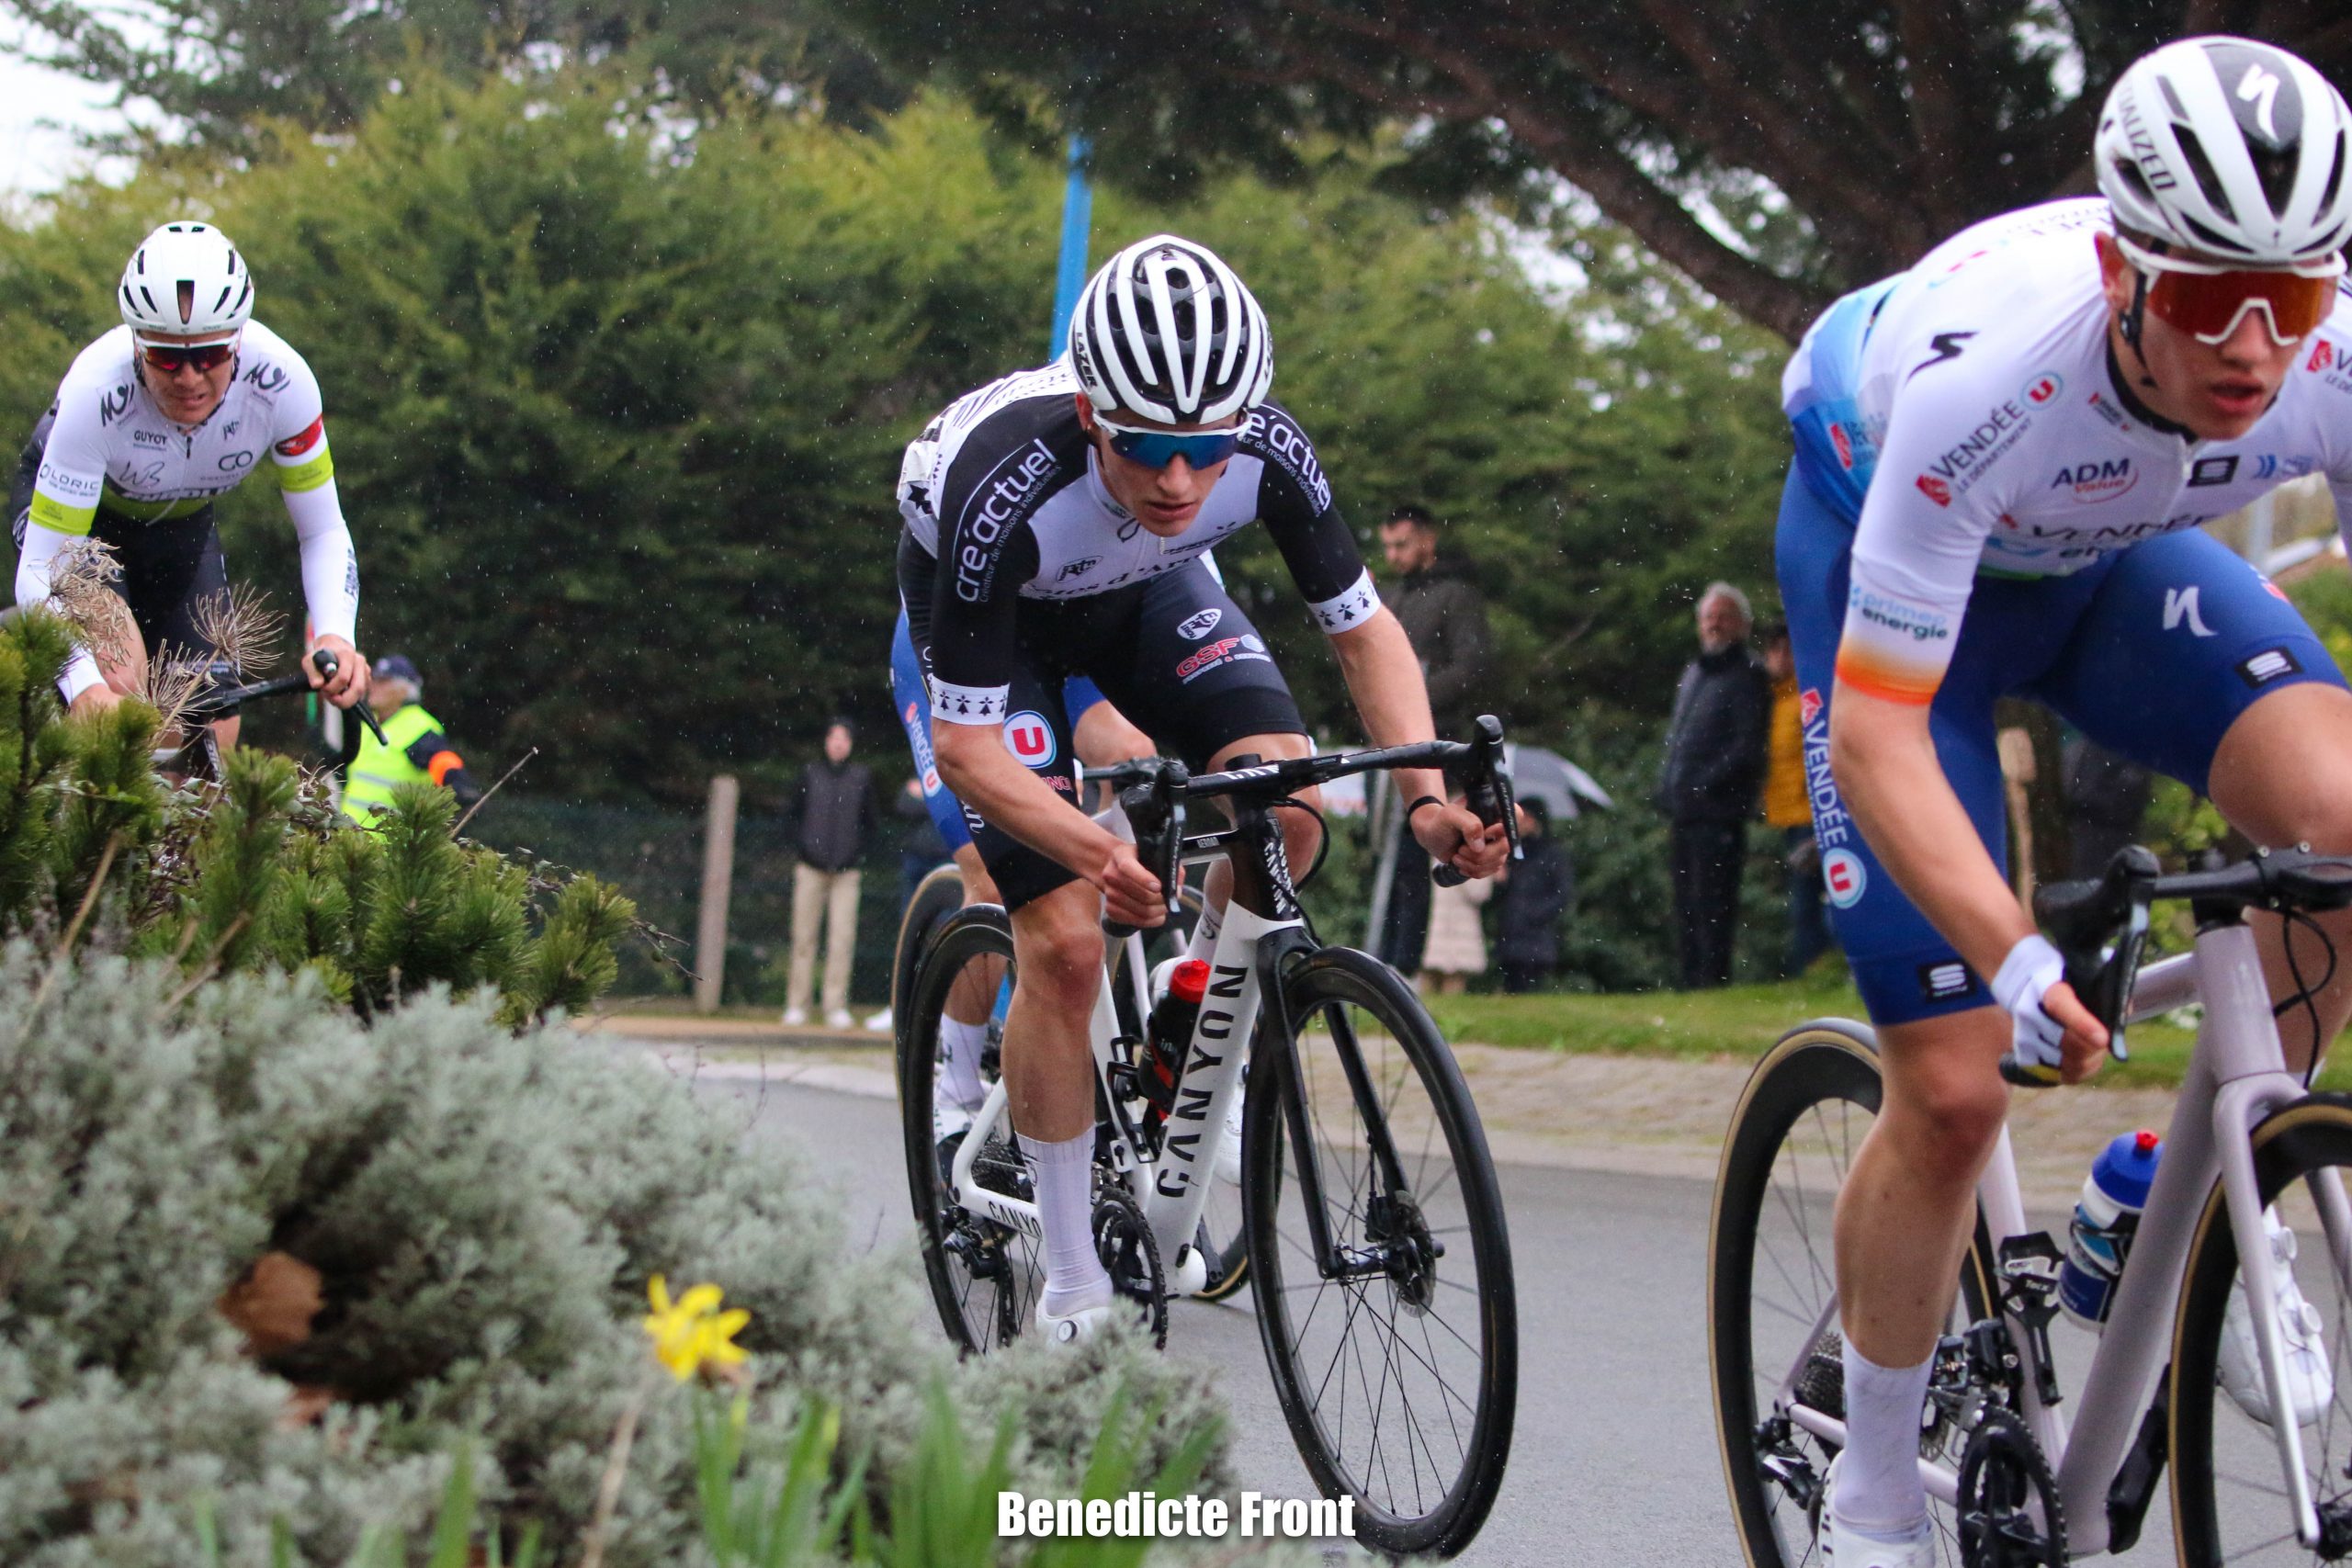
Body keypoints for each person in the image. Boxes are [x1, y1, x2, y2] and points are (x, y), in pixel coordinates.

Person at [1777, 37, 2352, 1565]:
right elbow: (1880, 736)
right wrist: (2015, 957)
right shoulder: (1992, 376)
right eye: (2208, 297)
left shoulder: (2341, 361)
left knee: (2345, 828)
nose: (2253, 346)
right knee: (1958, 1085)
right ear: (2120, 270)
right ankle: (1871, 1497)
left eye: (2292, 298)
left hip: (2110, 566)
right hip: (1896, 585)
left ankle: (2162, 1199)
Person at [898, 232, 1505, 1343]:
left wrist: (1425, 798)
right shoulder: (1003, 485)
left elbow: (1364, 633)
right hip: (1002, 629)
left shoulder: (1268, 449)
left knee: (1287, 817)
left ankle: (1191, 1018)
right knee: (1064, 942)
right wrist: (1094, 852)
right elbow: (972, 749)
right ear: (1090, 414)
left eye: (1205, 449)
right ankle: (1072, 1280)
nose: (1179, 480)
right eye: (1144, 445)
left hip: (1146, 594)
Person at [8, 220, 368, 731]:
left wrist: (335, 636)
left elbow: (323, 530)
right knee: (118, 678)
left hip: (181, 528)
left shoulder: (284, 384)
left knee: (213, 728)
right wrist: (82, 684)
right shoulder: (96, 392)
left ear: (238, 340)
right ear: (137, 345)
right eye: (165, 357)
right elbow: (44, 562)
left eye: (210, 355)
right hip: (86, 534)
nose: (190, 378)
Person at [1374, 503, 1492, 973]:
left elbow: (1472, 667)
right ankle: (1382, 961)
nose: (1393, 555)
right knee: (1386, 860)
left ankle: (1403, 967)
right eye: (1387, 546)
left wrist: (1412, 698)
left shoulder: (1456, 596)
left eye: (1401, 544)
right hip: (1386, 747)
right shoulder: (1389, 598)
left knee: (1414, 860)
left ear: (1427, 539)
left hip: (1435, 747)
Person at [1656, 582, 1770, 988]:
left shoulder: (1748, 674)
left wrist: (1703, 785)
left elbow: (1747, 746)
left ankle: (1712, 982)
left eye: (1723, 617)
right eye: (1708, 617)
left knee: (1714, 904)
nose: (1714, 625)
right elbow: (1679, 739)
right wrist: (1668, 785)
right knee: (1686, 902)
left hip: (1719, 812)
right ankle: (1691, 982)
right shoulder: (1695, 672)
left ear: (1742, 624)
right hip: (1684, 810)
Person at [782, 719, 878, 1031]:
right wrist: (804, 851)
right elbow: (791, 816)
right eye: (834, 737)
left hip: (847, 873)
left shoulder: (861, 778)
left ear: (851, 744)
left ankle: (835, 1005)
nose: (838, 743)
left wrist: (855, 855)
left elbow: (870, 824)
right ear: (826, 741)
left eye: (844, 738)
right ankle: (797, 1005)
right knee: (803, 938)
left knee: (841, 939)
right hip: (810, 869)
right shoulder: (810, 774)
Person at [1759, 621, 1835, 976]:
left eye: (1787, 650)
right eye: (1774, 650)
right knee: (1802, 902)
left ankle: (1818, 970)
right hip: (1785, 815)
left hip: (1812, 815)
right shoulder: (1773, 701)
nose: (1780, 657)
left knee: (1811, 902)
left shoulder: (1809, 699)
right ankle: (1813, 971)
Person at [338, 654, 481, 823]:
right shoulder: (369, 724)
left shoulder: (419, 727)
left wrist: (461, 787)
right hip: (351, 835)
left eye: (383, 681)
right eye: (374, 679)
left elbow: (444, 763)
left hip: (390, 838)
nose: (374, 686)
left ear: (404, 690)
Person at [1492, 797, 1573, 992]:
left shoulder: (1552, 853)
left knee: (1532, 987)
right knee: (1512, 985)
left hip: (1537, 936)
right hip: (1511, 933)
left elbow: (1562, 893)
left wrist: (1535, 914)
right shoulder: (1513, 852)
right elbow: (1503, 894)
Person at [2061, 734, 2155, 881]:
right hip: (2081, 838)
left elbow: (2128, 795)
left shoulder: (2125, 746)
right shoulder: (2081, 745)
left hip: (2108, 839)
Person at [1418, 815, 1492, 995]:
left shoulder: (1475, 851)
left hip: (1460, 928)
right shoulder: (1432, 847)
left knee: (1454, 984)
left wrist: (1462, 867)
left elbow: (1480, 893)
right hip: (1433, 924)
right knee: (1425, 984)